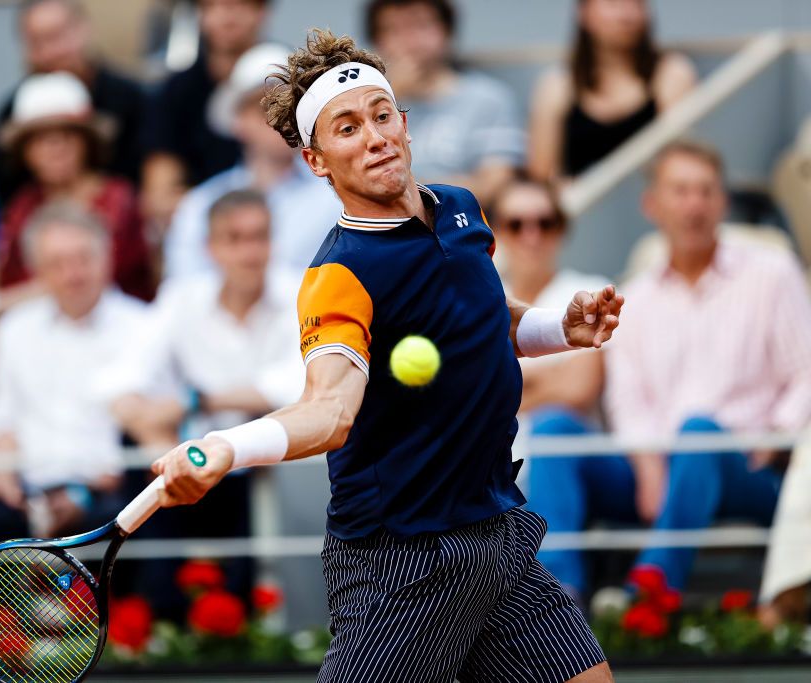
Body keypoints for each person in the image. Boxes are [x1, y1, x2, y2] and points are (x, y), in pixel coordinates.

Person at [147, 30, 622, 682]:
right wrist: (227, 446)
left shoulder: (460, 210)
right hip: (400, 557)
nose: (373, 137)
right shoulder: (338, 275)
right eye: (346, 128)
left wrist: (555, 327)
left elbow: (479, 318)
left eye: (379, 116)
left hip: (496, 530)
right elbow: (329, 408)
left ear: (403, 123)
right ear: (316, 160)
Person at [601, 140, 811, 592]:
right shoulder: (634, 295)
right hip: (660, 467)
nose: (694, 205)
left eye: (705, 191)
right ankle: (562, 601)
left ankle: (648, 594)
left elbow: (806, 372)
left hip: (750, 469)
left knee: (698, 430)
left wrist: (773, 439)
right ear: (651, 204)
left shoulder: (772, 272)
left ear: (723, 202)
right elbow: (626, 397)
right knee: (559, 431)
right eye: (680, 191)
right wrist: (649, 468)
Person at [105, 189, 305, 619]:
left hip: (264, 471)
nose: (251, 252)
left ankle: (240, 623)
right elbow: (122, 387)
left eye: (260, 237)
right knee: (143, 454)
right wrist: (163, 448)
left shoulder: (300, 293)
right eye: (235, 239)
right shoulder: (183, 298)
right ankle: (158, 620)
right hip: (195, 470)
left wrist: (194, 401)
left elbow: (293, 390)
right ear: (210, 248)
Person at [0, 202, 155, 544]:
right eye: (57, 264)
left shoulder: (143, 326)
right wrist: (1, 477)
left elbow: (152, 425)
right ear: (37, 270)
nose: (73, 274)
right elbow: (2, 419)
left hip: (114, 494)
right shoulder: (16, 329)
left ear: (107, 258)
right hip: (29, 493)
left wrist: (85, 492)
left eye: (83, 259)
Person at [489, 174, 610, 600]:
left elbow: (579, 387)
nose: (532, 235)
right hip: (496, 468)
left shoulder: (587, 288)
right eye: (517, 223)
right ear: (497, 230)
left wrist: (499, 385)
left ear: (561, 228)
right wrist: (543, 378)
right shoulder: (482, 295)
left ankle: (559, 595)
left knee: (556, 427)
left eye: (546, 222)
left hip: (568, 461)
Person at [163, 43, 342, 280]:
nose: (281, 119)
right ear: (237, 122)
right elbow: (184, 294)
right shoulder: (199, 206)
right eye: (266, 108)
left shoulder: (340, 199)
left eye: (292, 107)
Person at [0, 72, 155, 302]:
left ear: (87, 142)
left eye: (67, 135)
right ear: (25, 152)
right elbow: (8, 277)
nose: (56, 148)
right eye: (41, 139)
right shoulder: (22, 206)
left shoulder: (119, 199)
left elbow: (91, 284)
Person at [0, 0, 147, 206]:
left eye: (57, 36)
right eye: (36, 42)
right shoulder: (8, 113)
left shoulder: (131, 100)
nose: (50, 52)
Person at [366, 0, 524, 205]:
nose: (409, 40)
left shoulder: (487, 99)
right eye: (394, 30)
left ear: (446, 31)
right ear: (377, 42)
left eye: (420, 25)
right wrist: (388, 96)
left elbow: (494, 186)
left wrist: (397, 187)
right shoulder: (364, 106)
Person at [528, 0, 697, 180]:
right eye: (613, 4)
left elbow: (682, 160)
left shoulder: (672, 74)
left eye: (636, 4)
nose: (626, 16)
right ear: (583, 13)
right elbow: (543, 176)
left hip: (656, 202)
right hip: (580, 204)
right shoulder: (557, 85)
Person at [141, 0, 267, 231]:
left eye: (240, 4)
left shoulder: (293, 77)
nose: (228, 15)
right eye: (215, 5)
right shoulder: (175, 92)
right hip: (202, 233)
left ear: (262, 11)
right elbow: (159, 197)